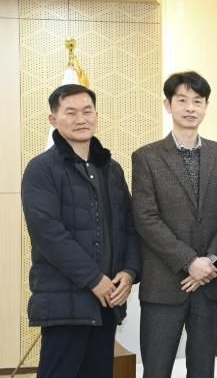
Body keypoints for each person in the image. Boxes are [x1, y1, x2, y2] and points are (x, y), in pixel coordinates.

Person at [22, 84, 141, 378]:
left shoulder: (111, 169)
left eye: (87, 111)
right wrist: (94, 279)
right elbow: (48, 234)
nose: (81, 119)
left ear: (96, 115)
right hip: (64, 303)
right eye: (70, 112)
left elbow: (129, 226)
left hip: (106, 302)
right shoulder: (41, 169)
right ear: (53, 120)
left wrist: (129, 272)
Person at [132, 71, 217, 378]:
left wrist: (211, 262)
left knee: (203, 369)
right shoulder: (146, 157)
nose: (190, 108)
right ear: (168, 105)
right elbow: (146, 218)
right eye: (182, 100)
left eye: (197, 101)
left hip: (209, 284)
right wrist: (190, 262)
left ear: (206, 106)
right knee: (157, 369)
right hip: (164, 284)